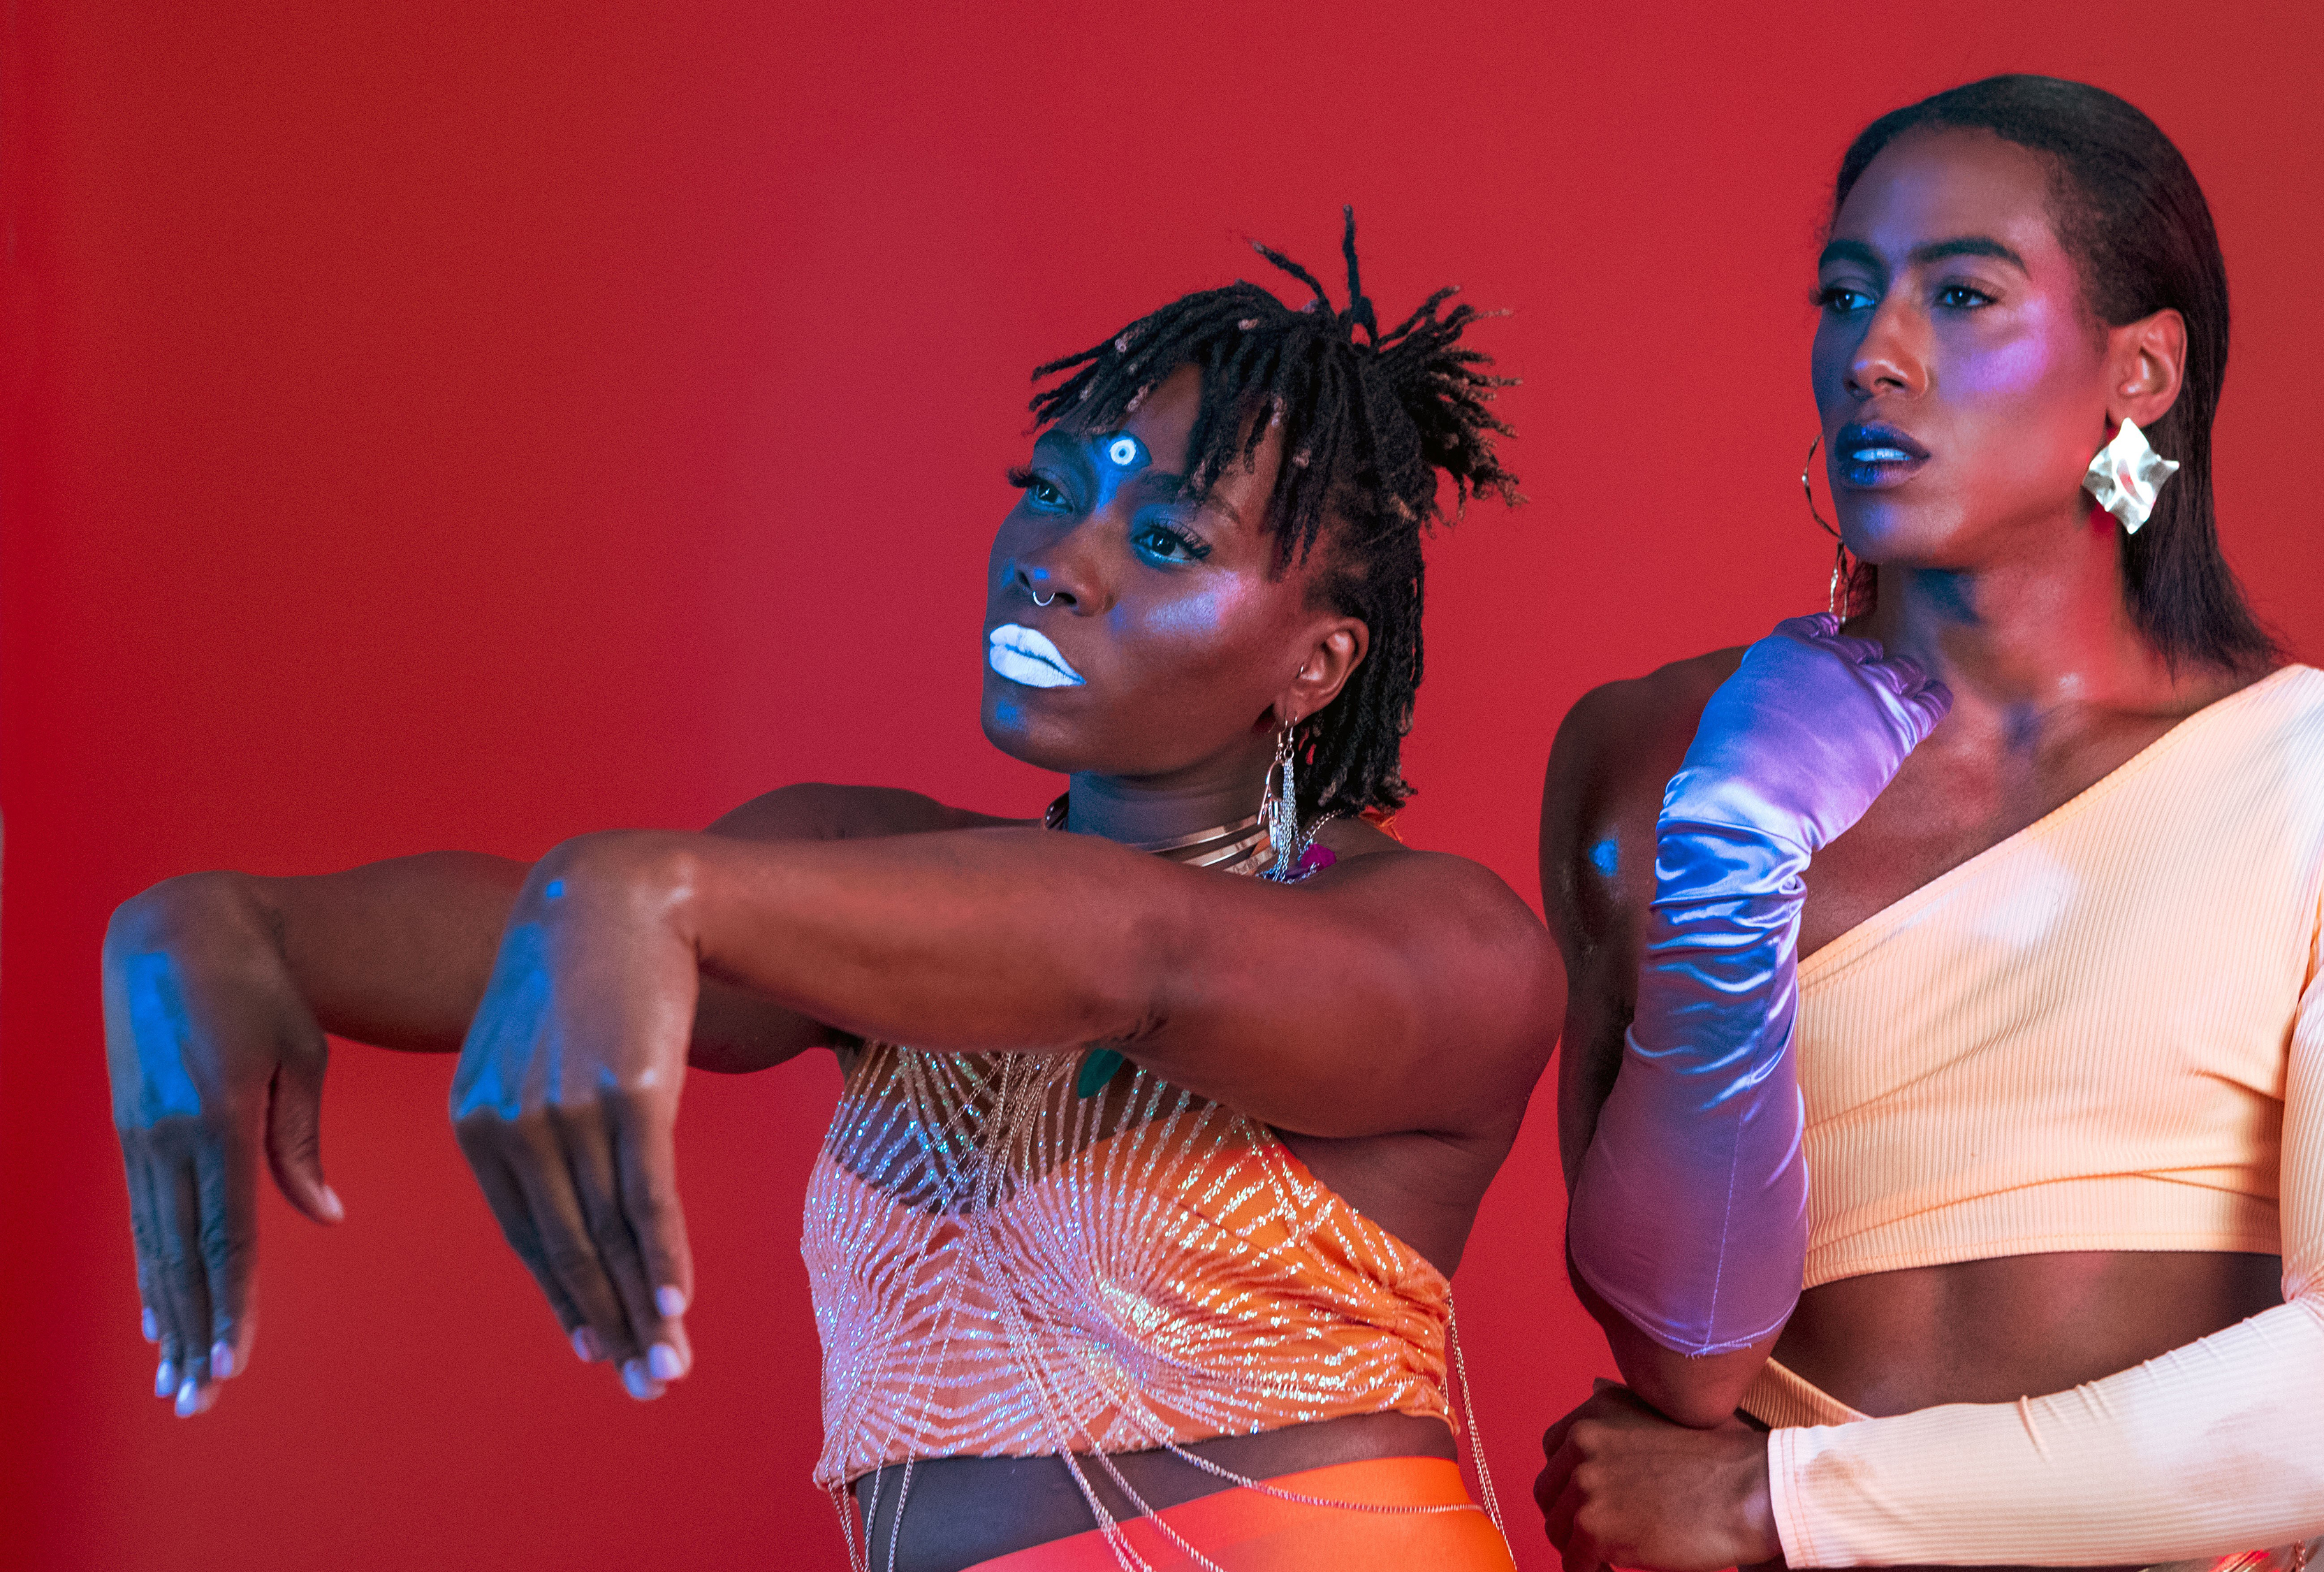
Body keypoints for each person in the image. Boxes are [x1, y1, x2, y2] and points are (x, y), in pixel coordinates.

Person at [103, 214, 1561, 1571]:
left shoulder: (1442, 945)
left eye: (1164, 542)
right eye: (1048, 493)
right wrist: (238, 929)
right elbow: (549, 931)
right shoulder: (876, 884)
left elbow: (1146, 954)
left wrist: (658, 891)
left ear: (1315, 665)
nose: (1055, 563)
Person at [1535, 76, 2324, 1571]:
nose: (1872, 354)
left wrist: (1784, 1506)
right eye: (1844, 293)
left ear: (2136, 372)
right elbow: (1681, 1368)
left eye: (1960, 294)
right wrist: (1729, 857)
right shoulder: (1654, 759)